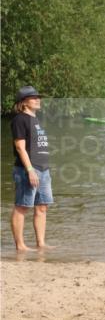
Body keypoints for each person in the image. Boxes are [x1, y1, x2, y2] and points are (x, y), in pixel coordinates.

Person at [9, 86, 53, 252]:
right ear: (24, 102)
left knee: (42, 206)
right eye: (33, 97)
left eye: (38, 97)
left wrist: (44, 168)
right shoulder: (20, 119)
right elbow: (20, 148)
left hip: (43, 169)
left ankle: (40, 243)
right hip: (27, 170)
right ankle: (20, 245)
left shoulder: (35, 120)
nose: (37, 99)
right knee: (22, 206)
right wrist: (29, 170)